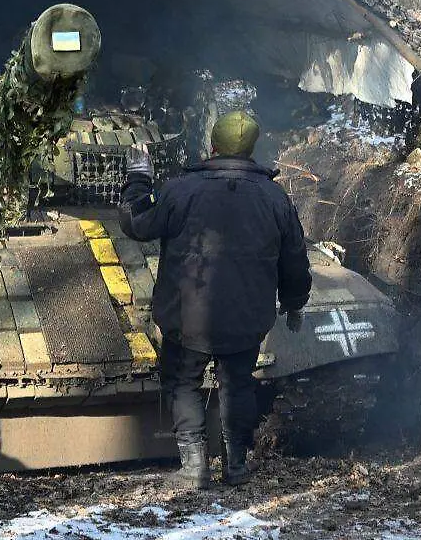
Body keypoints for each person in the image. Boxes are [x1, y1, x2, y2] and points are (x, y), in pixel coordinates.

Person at [118, 110, 312, 489]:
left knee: (183, 382)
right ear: (251, 149)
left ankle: (194, 469)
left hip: (187, 317)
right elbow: (294, 259)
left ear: (213, 146)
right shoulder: (275, 198)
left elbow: (136, 223)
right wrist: (295, 302)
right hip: (246, 319)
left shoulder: (179, 190)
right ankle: (236, 466)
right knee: (238, 385)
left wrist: (139, 178)